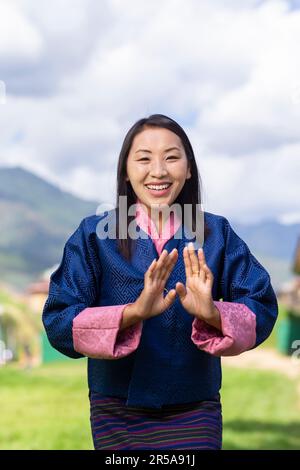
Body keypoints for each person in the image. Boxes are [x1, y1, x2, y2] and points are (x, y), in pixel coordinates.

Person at [42, 114, 278, 450]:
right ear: (125, 169)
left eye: (171, 157)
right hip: (116, 410)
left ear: (189, 167)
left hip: (195, 409)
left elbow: (262, 307)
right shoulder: (94, 236)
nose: (158, 171)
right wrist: (133, 313)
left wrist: (212, 313)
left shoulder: (217, 235)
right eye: (143, 159)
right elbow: (59, 321)